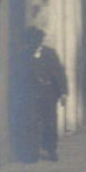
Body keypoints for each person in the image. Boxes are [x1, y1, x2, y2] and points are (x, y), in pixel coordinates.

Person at [18, 28, 68, 162]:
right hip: (31, 94)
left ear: (40, 41)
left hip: (49, 94)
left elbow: (59, 73)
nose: (34, 43)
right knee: (31, 123)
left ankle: (51, 149)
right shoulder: (24, 54)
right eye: (31, 41)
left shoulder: (50, 54)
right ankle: (32, 153)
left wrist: (63, 92)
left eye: (37, 40)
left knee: (50, 122)